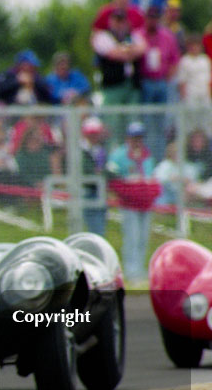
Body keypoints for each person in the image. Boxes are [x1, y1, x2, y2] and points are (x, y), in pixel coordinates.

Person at [106, 121, 158, 282]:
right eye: (134, 137)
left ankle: (140, 269)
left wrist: (151, 193)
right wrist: (127, 192)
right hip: (129, 205)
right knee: (132, 237)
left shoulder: (147, 155)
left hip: (146, 205)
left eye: (139, 138)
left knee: (143, 238)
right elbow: (112, 178)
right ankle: (130, 271)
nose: (137, 141)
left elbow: (152, 178)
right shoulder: (119, 155)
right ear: (128, 138)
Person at [91, 8, 146, 143]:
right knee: (113, 124)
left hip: (131, 86)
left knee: (133, 123)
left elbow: (142, 49)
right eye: (116, 20)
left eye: (122, 20)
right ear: (111, 21)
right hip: (112, 87)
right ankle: (113, 158)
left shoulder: (133, 36)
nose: (119, 24)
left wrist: (125, 51)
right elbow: (114, 53)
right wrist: (128, 51)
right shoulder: (103, 36)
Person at [135, 4, 179, 161]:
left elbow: (174, 60)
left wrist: (166, 79)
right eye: (149, 17)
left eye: (155, 17)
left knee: (162, 124)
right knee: (146, 124)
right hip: (145, 83)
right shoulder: (138, 35)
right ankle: (147, 160)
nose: (152, 21)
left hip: (161, 83)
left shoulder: (167, 36)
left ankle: (159, 159)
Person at [80, 116, 110, 235]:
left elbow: (105, 170)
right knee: (92, 228)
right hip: (86, 192)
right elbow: (86, 171)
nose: (93, 137)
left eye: (95, 134)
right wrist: (98, 173)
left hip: (100, 191)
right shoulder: (81, 150)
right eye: (90, 134)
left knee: (100, 228)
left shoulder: (101, 149)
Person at [176, 33, 212, 135]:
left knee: (206, 123)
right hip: (191, 97)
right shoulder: (185, 61)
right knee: (191, 125)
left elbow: (208, 80)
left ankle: (207, 148)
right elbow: (182, 82)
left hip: (204, 96)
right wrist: (184, 98)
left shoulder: (205, 60)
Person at [153, 141, 199, 206]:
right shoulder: (165, 165)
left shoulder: (188, 166)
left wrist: (185, 180)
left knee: (190, 189)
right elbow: (157, 179)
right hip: (168, 192)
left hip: (182, 192)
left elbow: (193, 180)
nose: (176, 155)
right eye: (174, 153)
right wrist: (171, 178)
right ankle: (163, 208)